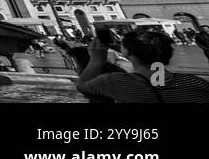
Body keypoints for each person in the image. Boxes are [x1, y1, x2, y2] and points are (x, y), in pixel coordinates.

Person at [76, 29, 209, 103]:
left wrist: (96, 59)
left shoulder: (115, 82)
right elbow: (159, 81)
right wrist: (130, 51)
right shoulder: (196, 82)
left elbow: (83, 87)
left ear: (127, 53)